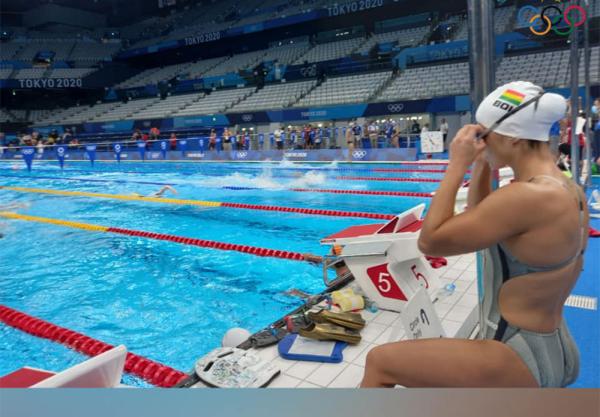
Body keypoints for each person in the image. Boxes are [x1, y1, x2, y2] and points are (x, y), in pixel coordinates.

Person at [361, 81, 587, 388]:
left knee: (380, 363)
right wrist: (482, 164)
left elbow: (430, 242)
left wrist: (457, 164)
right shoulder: (566, 188)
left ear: (513, 138)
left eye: (485, 134)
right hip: (552, 343)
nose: (480, 141)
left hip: (518, 351)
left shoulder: (526, 197)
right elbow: (481, 221)